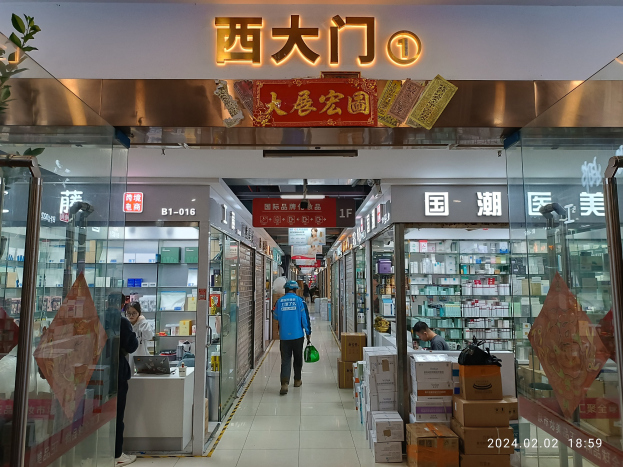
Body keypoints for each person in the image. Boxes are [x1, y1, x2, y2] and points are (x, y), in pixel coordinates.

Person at [273, 280, 312, 395]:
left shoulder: (279, 302)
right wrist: (308, 333)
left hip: (284, 336)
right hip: (298, 336)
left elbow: (275, 316)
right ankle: (297, 380)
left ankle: (284, 384)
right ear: (295, 290)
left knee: (285, 360)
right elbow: (305, 319)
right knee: (298, 358)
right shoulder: (300, 301)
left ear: (286, 289)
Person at [114, 296, 139, 466]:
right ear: (122, 304)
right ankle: (117, 454)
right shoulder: (121, 322)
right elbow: (132, 345)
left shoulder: (96, 319)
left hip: (95, 372)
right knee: (117, 414)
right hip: (117, 372)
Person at [126, 301, 154, 373]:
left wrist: (143, 322)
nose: (131, 315)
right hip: (128, 359)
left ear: (139, 313)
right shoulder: (125, 325)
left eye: (134, 313)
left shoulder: (143, 323)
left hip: (142, 358)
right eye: (129, 313)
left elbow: (148, 336)